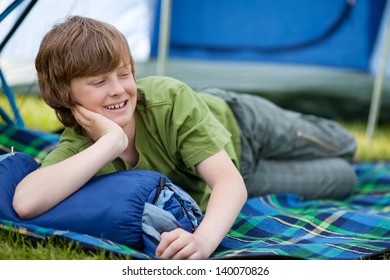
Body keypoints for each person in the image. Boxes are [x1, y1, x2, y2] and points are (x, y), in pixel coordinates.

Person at [12, 16, 357, 259]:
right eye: (99, 82)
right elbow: (26, 202)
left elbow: (227, 182)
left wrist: (203, 241)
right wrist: (111, 143)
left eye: (124, 73)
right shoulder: (81, 147)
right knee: (342, 179)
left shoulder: (168, 98)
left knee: (345, 145)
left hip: (242, 124)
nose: (118, 90)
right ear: (64, 94)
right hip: (241, 173)